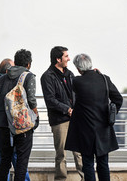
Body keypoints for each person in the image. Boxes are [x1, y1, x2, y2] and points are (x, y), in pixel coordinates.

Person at [64, 54, 123, 181]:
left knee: (88, 164)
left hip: (86, 129)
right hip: (103, 128)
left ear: (78, 69)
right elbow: (118, 99)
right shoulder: (104, 79)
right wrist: (111, 114)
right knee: (103, 163)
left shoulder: (77, 81)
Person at [0, 49, 38, 181]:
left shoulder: (3, 78)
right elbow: (32, 100)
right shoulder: (28, 76)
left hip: (4, 125)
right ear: (28, 64)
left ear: (15, 62)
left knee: (5, 161)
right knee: (22, 161)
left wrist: (6, 112)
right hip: (22, 125)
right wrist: (35, 116)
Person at [41, 46, 84, 181]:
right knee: (61, 154)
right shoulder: (47, 76)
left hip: (75, 118)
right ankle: (60, 179)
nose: (69, 59)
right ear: (58, 59)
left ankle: (86, 177)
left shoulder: (70, 74)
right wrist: (67, 109)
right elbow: (50, 100)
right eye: (66, 56)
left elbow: (76, 94)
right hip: (60, 120)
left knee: (79, 153)